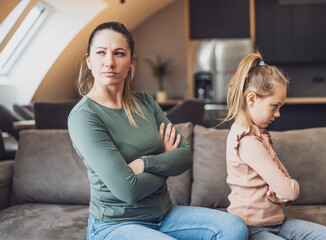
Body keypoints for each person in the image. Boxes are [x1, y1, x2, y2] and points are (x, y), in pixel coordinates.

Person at [68, 21, 248, 240]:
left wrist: (148, 163)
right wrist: (165, 160)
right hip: (114, 225)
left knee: (234, 228)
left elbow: (185, 155)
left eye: (119, 53)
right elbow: (129, 190)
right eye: (101, 53)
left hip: (164, 214)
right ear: (89, 60)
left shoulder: (145, 102)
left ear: (132, 62)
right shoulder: (84, 116)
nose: (109, 62)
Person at [222, 52, 326, 240]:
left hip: (277, 222)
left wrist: (285, 189)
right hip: (252, 228)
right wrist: (290, 188)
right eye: (274, 106)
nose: (278, 113)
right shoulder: (246, 140)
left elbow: (284, 186)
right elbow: (288, 190)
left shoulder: (260, 134)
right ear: (252, 99)